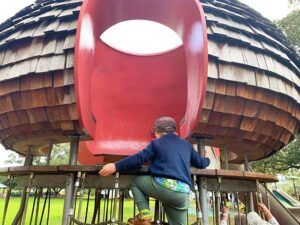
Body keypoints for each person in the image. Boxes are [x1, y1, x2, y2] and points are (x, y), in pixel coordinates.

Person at [99, 116, 210, 225]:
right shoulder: (186, 145)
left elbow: (138, 159)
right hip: (183, 194)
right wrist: (207, 158)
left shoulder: (156, 143)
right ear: (174, 132)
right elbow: (201, 163)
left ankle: (145, 214)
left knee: (136, 182)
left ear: (157, 133)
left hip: (163, 186)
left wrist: (115, 166)